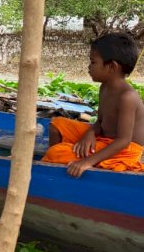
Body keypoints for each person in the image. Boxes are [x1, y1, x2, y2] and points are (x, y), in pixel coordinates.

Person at [43, 33, 144, 177]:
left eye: (93, 62)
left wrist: (87, 161)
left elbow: (123, 141)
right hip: (104, 137)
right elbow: (101, 121)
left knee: (55, 152)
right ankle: (60, 168)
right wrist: (90, 133)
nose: (89, 67)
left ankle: (65, 164)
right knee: (56, 125)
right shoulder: (104, 87)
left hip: (125, 150)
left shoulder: (127, 97)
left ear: (112, 66)